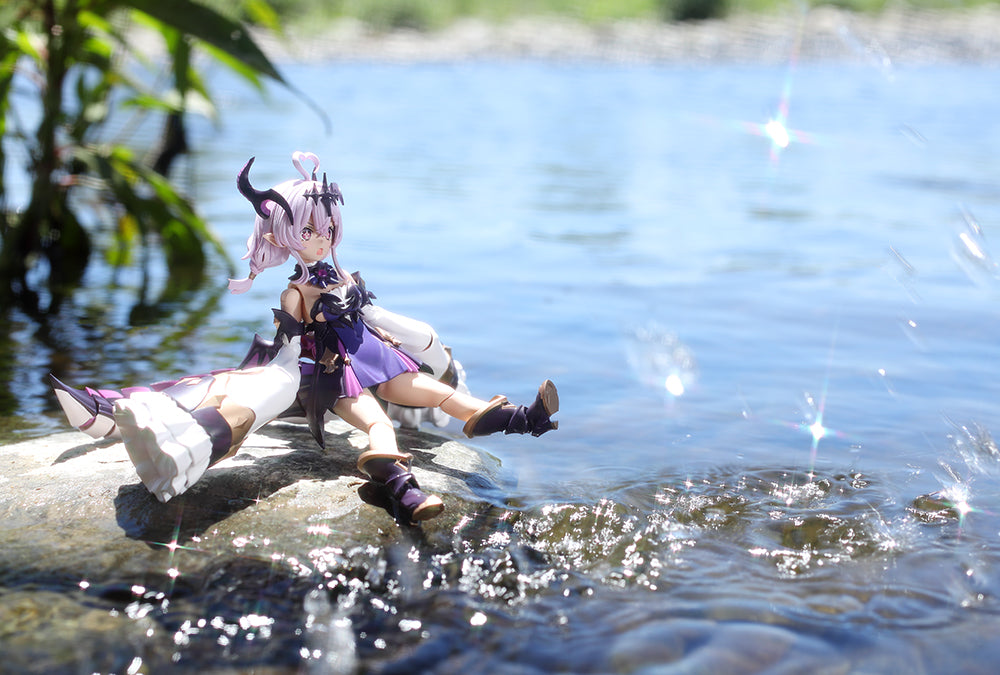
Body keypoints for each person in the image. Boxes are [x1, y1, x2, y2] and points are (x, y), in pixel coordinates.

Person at [51, 152, 559, 525]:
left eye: (327, 228)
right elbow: (288, 350)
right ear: (285, 236)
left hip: (377, 358)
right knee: (379, 424)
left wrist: (399, 339)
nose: (322, 238)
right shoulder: (296, 292)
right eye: (311, 231)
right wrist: (272, 388)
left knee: (441, 394)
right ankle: (402, 490)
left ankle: (522, 419)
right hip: (335, 377)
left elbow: (372, 318)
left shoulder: (344, 276)